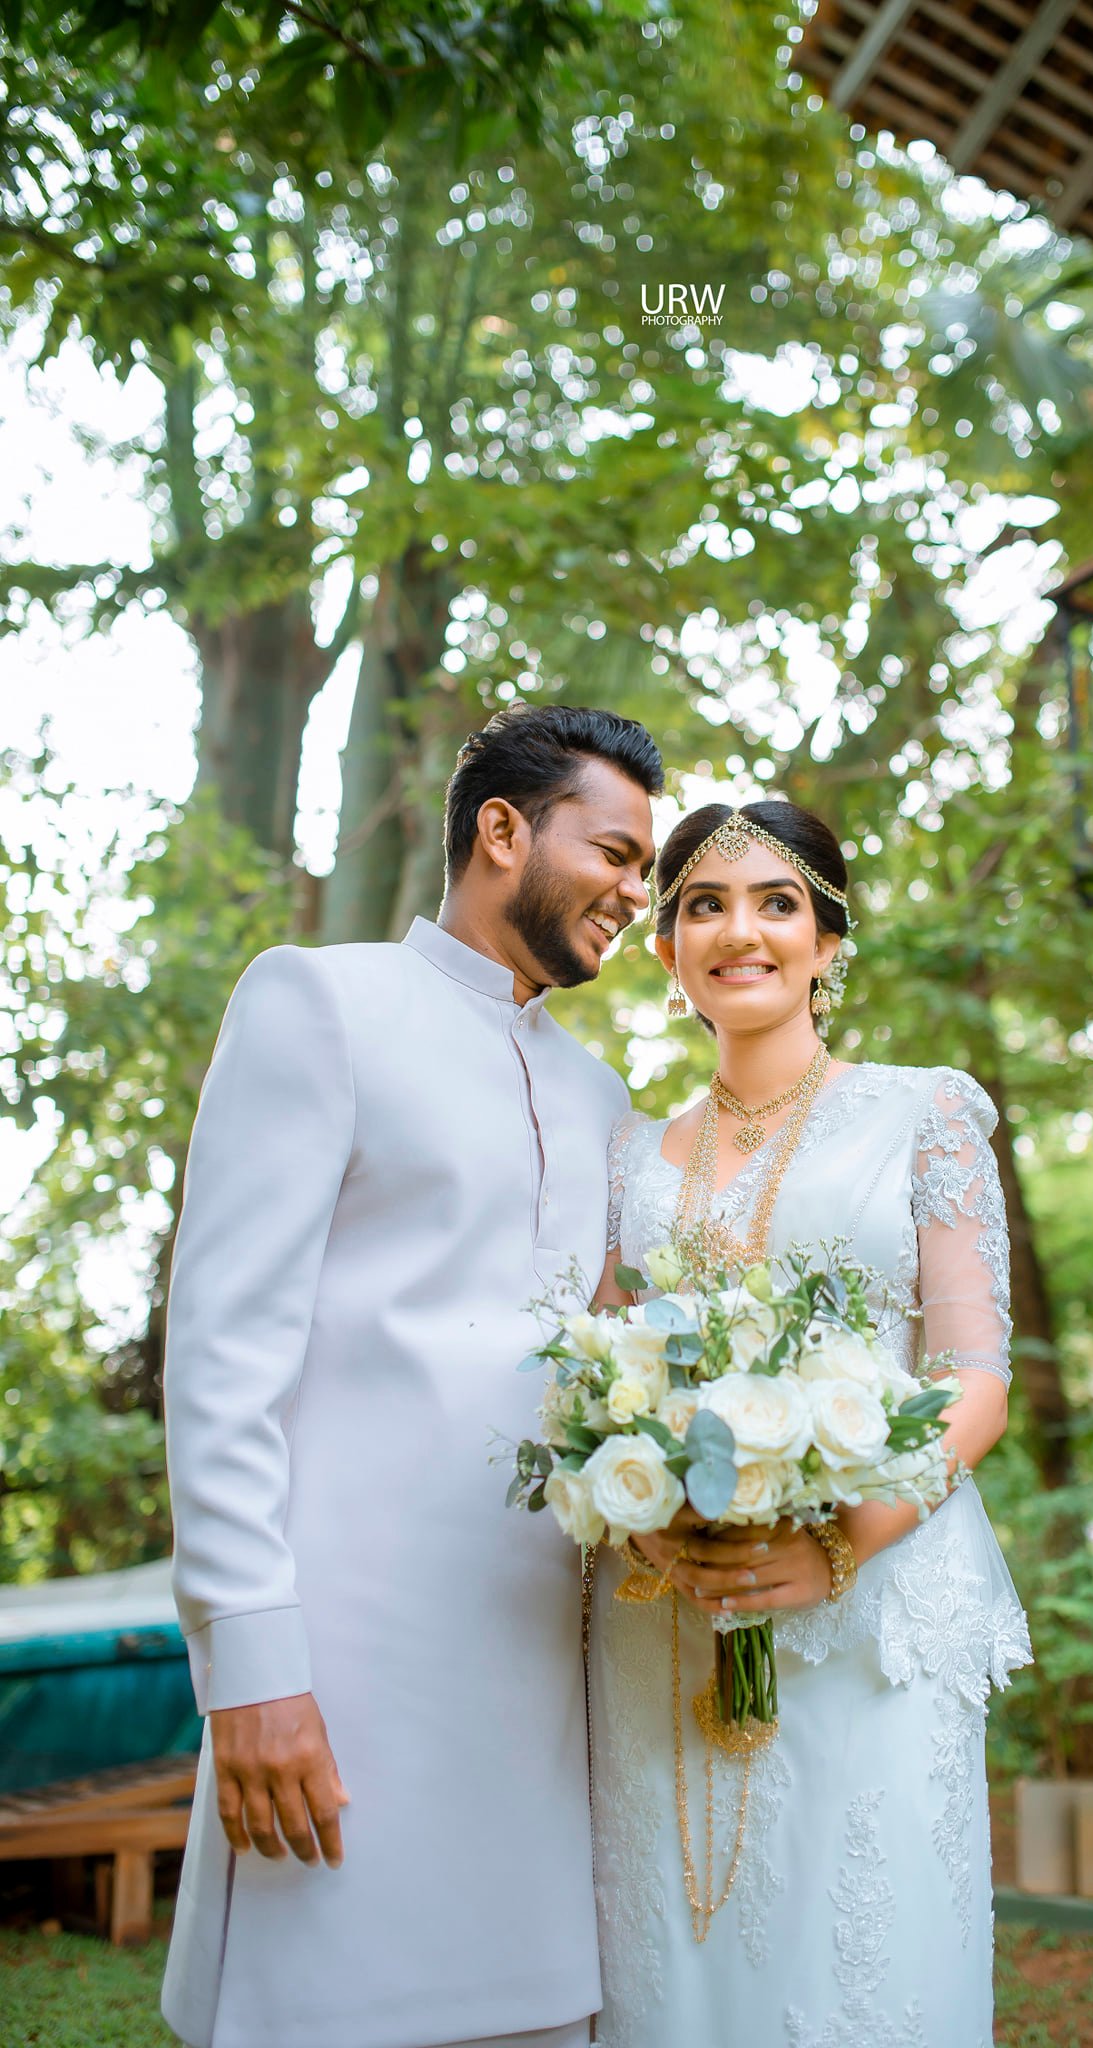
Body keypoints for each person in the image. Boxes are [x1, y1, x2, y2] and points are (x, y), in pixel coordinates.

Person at [160, 703, 661, 2048]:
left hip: (542, 1660)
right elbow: (223, 1351)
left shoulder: (602, 1097)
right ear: (501, 830)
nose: (634, 890)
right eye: (614, 852)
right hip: (344, 1655)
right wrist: (248, 1661)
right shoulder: (320, 1002)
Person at [588, 799, 1031, 2048]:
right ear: (668, 950)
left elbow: (973, 1372)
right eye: (703, 905)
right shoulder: (629, 1156)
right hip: (670, 1613)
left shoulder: (920, 1114)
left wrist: (839, 1539)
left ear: (828, 941)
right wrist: (643, 1519)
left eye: (776, 902)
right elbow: (604, 1383)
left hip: (871, 1603)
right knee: (681, 1960)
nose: (740, 930)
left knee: (859, 1961)